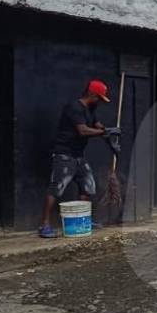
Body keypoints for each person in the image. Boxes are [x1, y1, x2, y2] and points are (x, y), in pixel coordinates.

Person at [39, 80, 119, 238]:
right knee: (57, 188)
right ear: (92, 94)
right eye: (99, 98)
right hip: (64, 154)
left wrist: (111, 139)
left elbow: (99, 127)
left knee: (88, 186)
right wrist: (106, 132)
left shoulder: (91, 110)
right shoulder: (74, 108)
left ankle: (83, 220)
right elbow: (82, 131)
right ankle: (44, 225)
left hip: (78, 156)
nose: (100, 102)